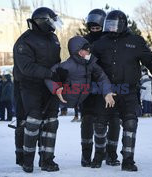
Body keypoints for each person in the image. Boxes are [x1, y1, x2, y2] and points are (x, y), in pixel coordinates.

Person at [92, 10, 152, 171]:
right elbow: (90, 67)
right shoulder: (100, 44)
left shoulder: (135, 42)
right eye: (108, 25)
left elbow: (151, 60)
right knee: (99, 124)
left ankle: (128, 160)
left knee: (130, 123)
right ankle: (98, 156)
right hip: (106, 92)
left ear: (122, 25)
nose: (111, 28)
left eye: (114, 25)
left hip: (129, 91)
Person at [13, 7, 65, 173]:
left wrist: (61, 73)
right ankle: (27, 160)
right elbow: (26, 67)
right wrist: (49, 73)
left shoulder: (53, 38)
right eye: (52, 21)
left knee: (51, 122)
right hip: (30, 86)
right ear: (44, 22)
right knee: (33, 121)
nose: (54, 25)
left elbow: (56, 61)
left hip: (50, 86)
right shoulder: (24, 41)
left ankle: (47, 160)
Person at [80, 9, 121, 168]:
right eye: (92, 27)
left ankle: (111, 154)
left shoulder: (111, 40)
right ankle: (85, 155)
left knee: (114, 119)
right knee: (87, 119)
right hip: (88, 87)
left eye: (98, 27)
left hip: (108, 85)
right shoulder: (83, 41)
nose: (94, 30)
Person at [44, 36, 115, 109]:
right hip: (66, 101)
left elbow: (101, 76)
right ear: (79, 52)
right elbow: (49, 76)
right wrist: (56, 88)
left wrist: (107, 92)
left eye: (89, 49)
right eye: (86, 50)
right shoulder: (67, 65)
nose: (89, 51)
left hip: (83, 101)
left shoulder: (91, 64)